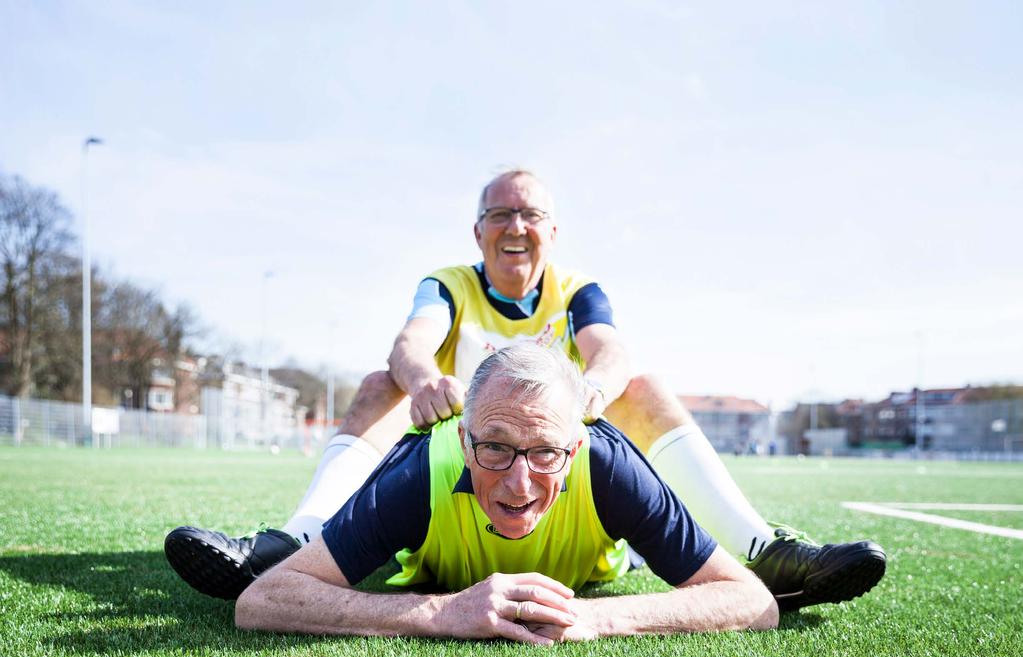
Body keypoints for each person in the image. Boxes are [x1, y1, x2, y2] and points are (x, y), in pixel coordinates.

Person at [166, 170, 885, 611]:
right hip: (460, 487)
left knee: (640, 383)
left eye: (529, 215)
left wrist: (588, 396)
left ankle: (763, 550)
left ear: (550, 232)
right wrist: (423, 383)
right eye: (499, 214)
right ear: (477, 231)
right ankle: (291, 544)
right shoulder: (447, 284)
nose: (514, 226)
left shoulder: (576, 292)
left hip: (563, 503)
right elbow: (413, 340)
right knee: (382, 381)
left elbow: (610, 352)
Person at [234, 345, 779, 642]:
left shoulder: (607, 465)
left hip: (596, 572)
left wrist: (598, 618)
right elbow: (263, 599)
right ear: (464, 439)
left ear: (576, 445)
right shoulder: (418, 472)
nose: (519, 484)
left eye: (546, 451)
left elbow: (753, 601)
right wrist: (438, 614)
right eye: (494, 447)